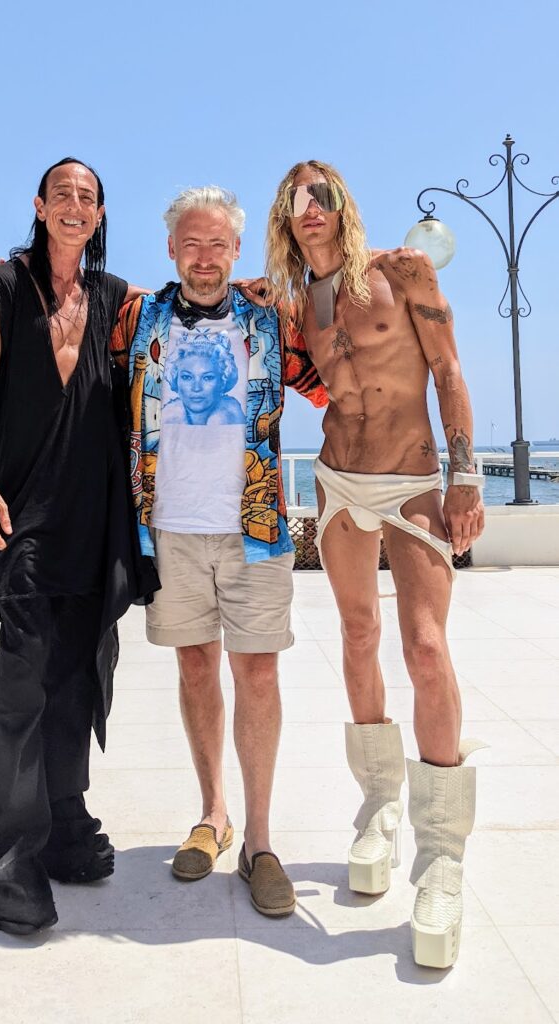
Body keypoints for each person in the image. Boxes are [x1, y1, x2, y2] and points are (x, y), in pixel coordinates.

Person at [265, 160, 485, 967]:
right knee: (357, 637)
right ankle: (379, 807)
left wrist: (464, 477)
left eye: (320, 196)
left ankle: (441, 855)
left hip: (414, 479)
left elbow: (451, 374)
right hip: (336, 481)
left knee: (424, 648)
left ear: (341, 206)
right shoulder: (296, 302)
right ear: (285, 220)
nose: (308, 209)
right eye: (294, 202)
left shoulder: (403, 272)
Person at [111, 186, 327, 917]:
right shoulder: (137, 318)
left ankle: (260, 842)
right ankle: (213, 815)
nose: (204, 258)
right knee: (195, 665)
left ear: (236, 251)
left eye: (217, 246)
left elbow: (331, 383)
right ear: (172, 249)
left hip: (255, 527)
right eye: (191, 244)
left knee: (257, 675)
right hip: (165, 526)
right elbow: (64, 337)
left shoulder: (270, 314)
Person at [0, 157, 158, 935]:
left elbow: (185, 313)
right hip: (23, 517)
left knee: (81, 675)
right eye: (63, 195)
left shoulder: (113, 300)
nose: (75, 206)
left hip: (97, 519)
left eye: (89, 197)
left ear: (101, 215)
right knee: (22, 683)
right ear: (40, 208)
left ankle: (62, 824)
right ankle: (2, 859)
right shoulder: (1, 288)